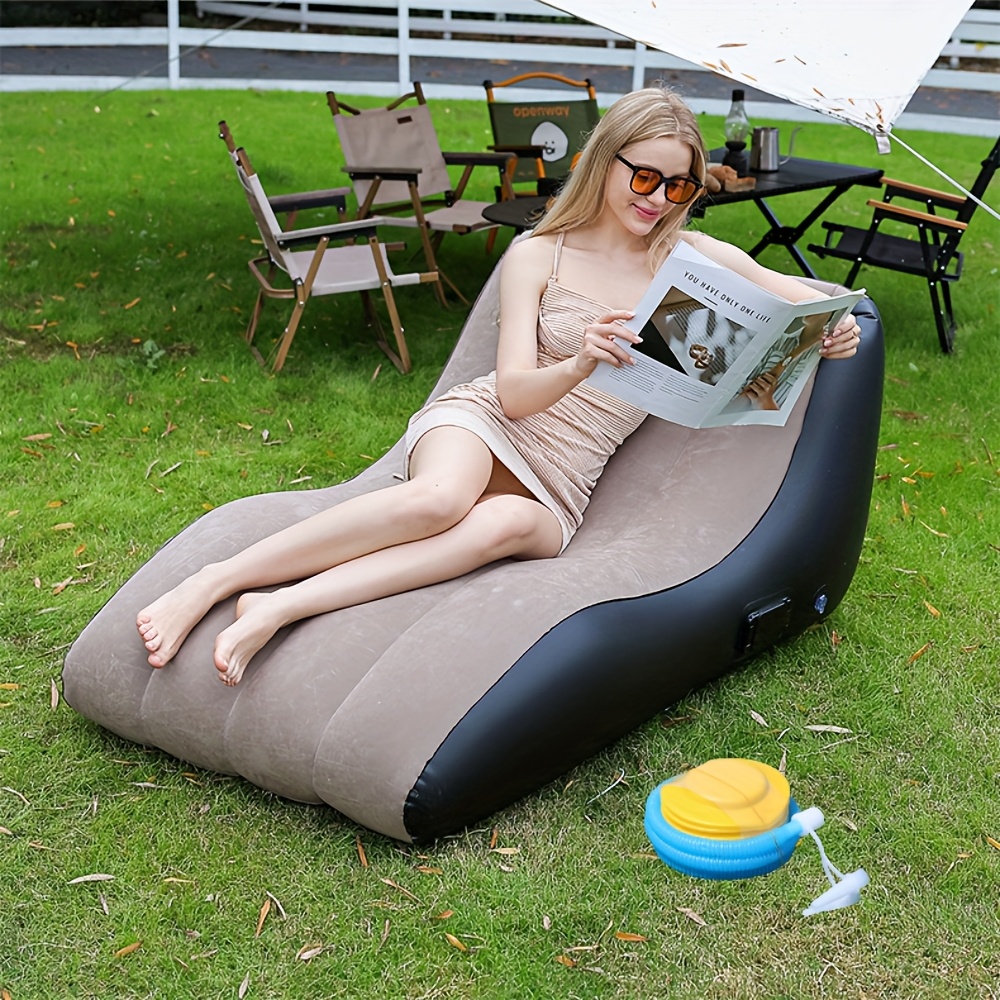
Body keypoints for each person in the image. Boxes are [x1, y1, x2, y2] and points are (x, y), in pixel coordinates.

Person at [136, 86, 862, 686]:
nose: (658, 200)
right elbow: (513, 393)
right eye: (644, 177)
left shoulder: (692, 258)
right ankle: (216, 580)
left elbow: (812, 298)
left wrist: (838, 329)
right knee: (442, 499)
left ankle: (279, 605)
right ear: (604, 162)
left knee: (504, 528)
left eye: (678, 186)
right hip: (490, 424)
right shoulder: (540, 253)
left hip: (566, 477)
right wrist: (580, 362)